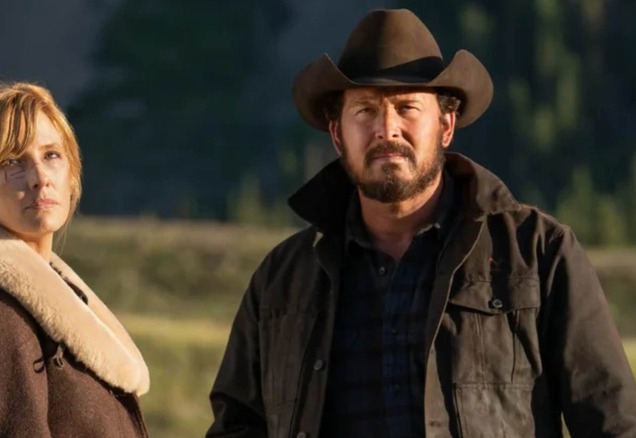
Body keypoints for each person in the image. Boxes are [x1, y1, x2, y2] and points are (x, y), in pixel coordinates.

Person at [207, 8, 636, 438]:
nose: (386, 129)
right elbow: (236, 427)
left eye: (407, 108)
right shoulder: (282, 281)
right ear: (337, 134)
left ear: (445, 126)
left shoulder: (539, 255)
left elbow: (612, 422)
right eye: (365, 111)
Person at [0, 81, 150, 437]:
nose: (40, 177)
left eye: (51, 155)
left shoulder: (55, 297)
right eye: (12, 162)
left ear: (72, 173)